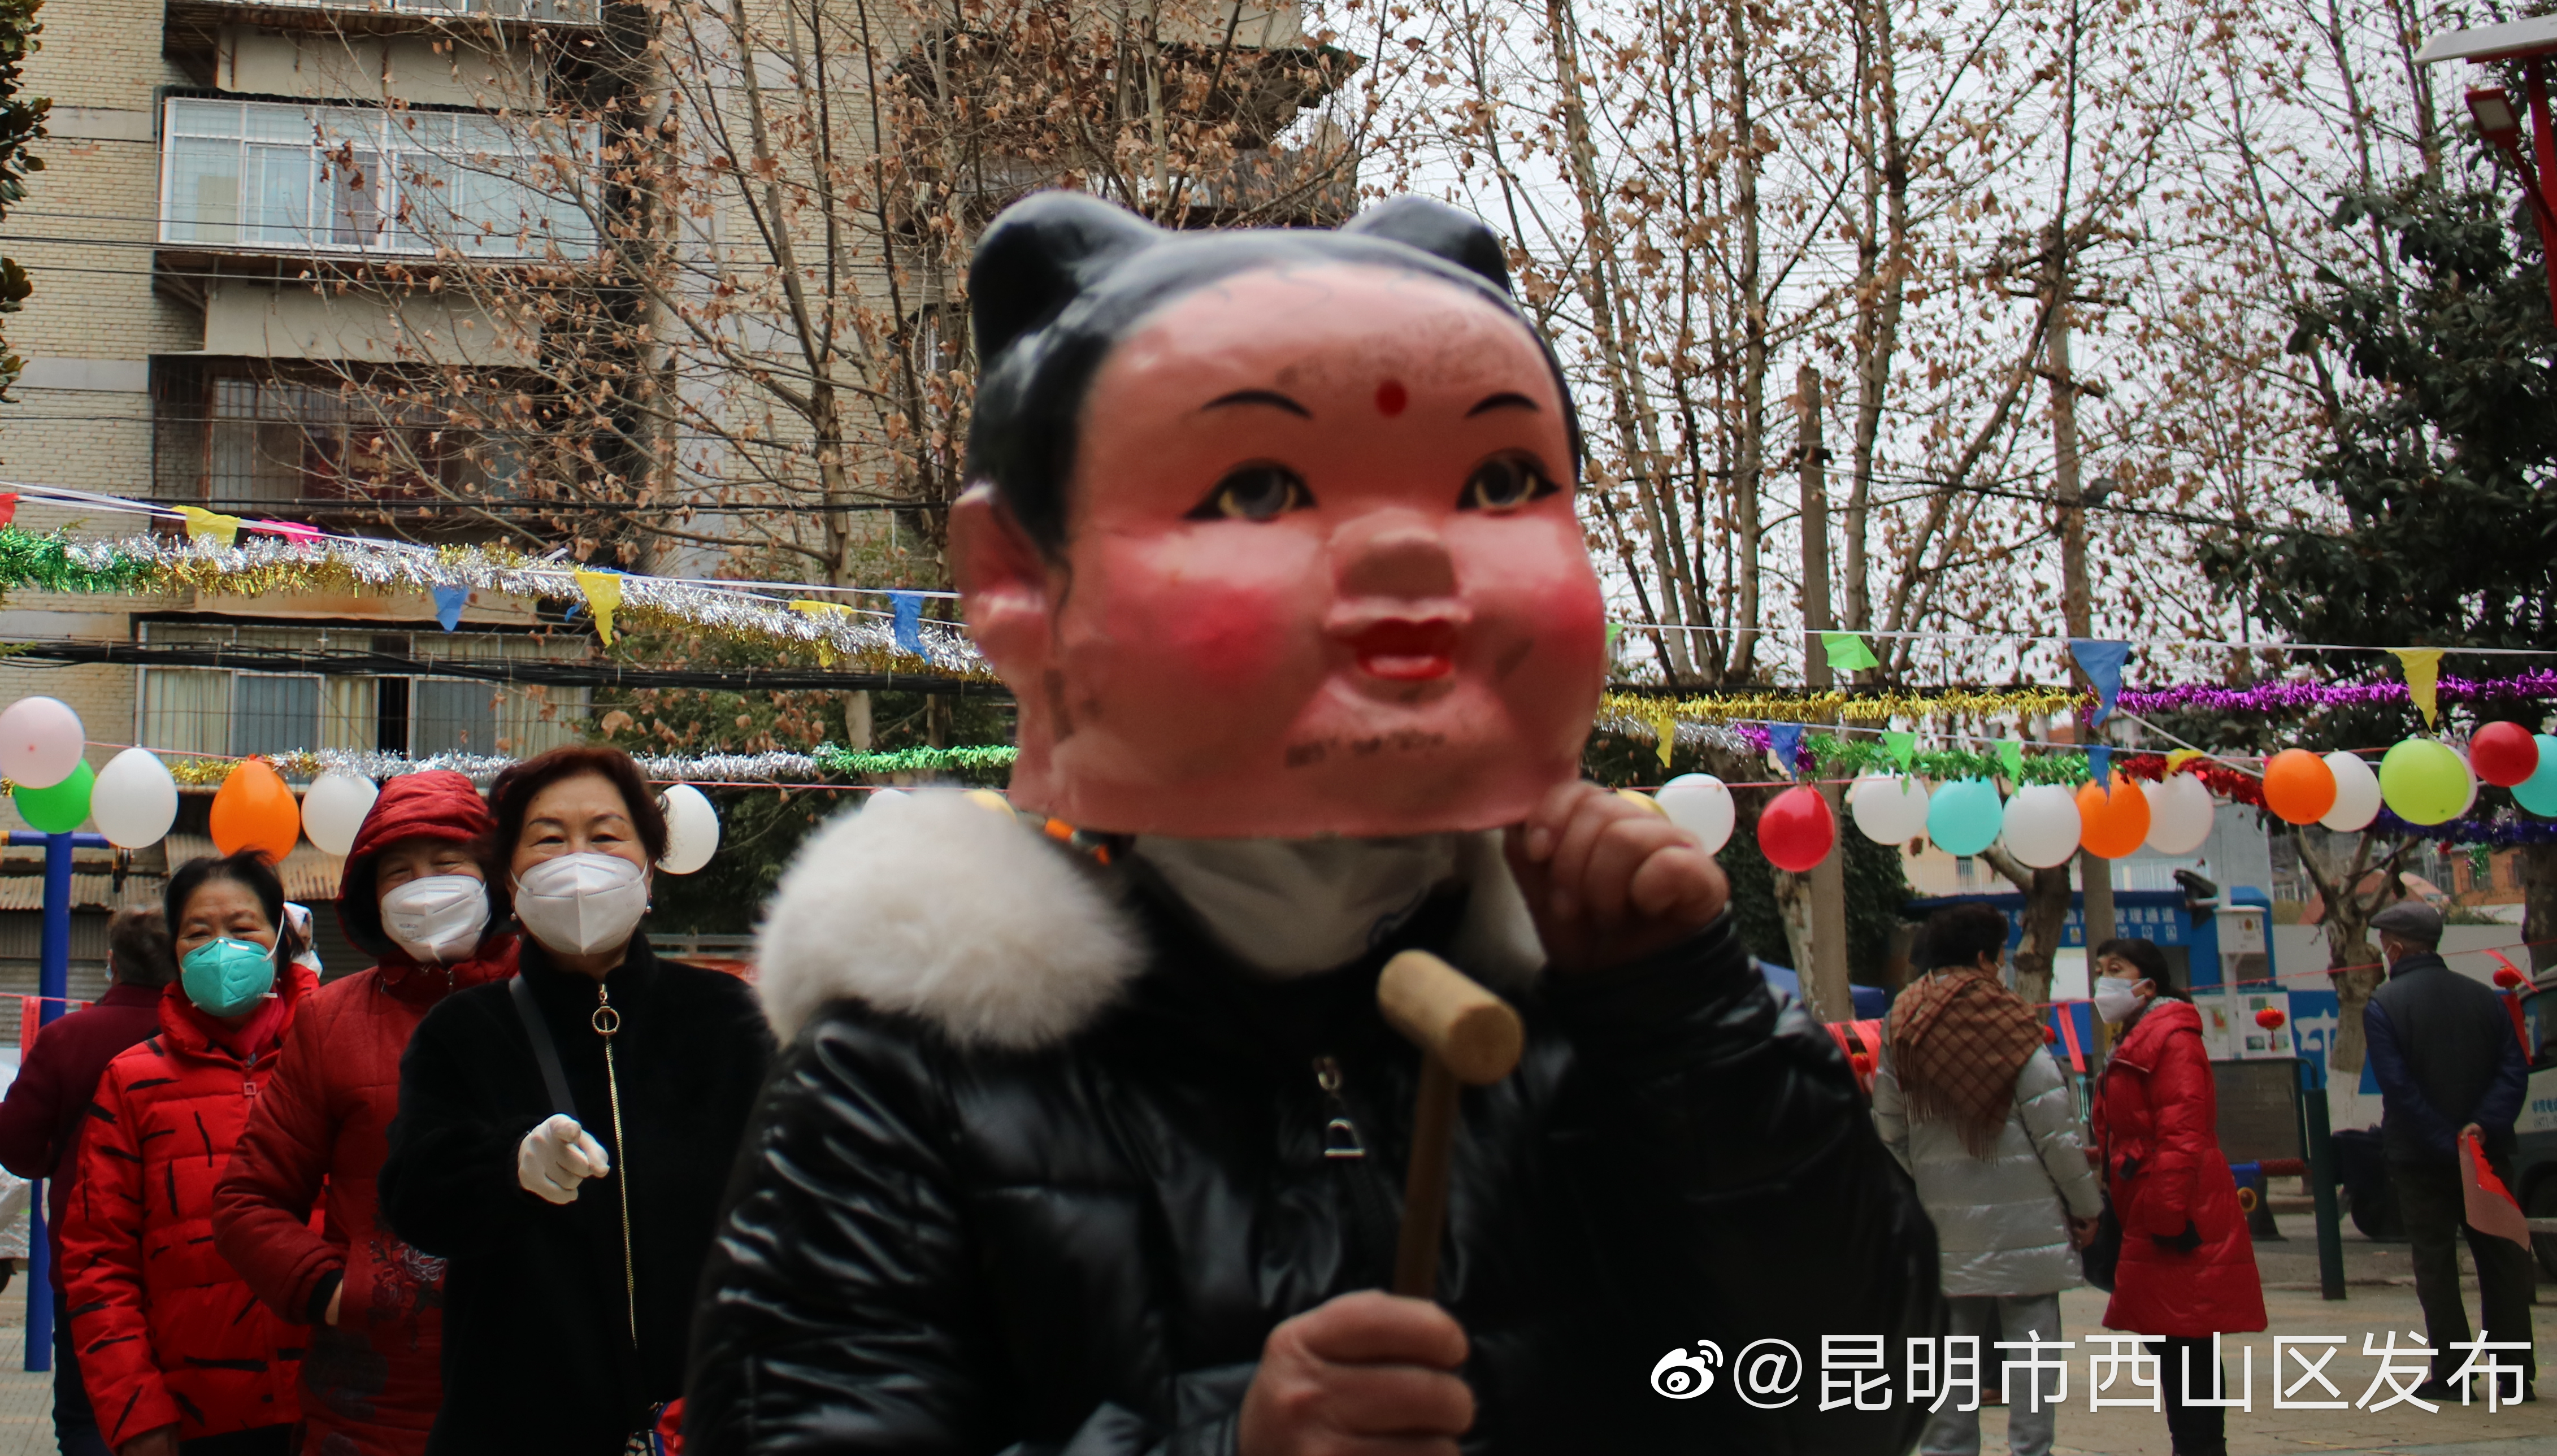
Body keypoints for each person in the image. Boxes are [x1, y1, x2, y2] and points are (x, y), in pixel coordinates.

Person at [684, 192, 1939, 1455]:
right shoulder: (901, 1077)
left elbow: (1863, 1398)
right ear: (1017, 580)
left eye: (1500, 480)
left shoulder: (1627, 1013)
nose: (1408, 550)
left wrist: (1690, 1022)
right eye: (1256, 487)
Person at [379, 747, 772, 1456]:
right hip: (516, 1424)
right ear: (511, 875)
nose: (579, 859)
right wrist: (511, 1167)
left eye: (607, 834)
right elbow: (414, 1197)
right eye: (550, 838)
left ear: (650, 868)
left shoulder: (731, 1019)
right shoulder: (463, 1031)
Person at [216, 768, 520, 1456]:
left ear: (493, 878)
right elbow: (248, 1200)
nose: (425, 886)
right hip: (368, 1411)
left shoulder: (555, 1003)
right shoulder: (330, 1019)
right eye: (398, 872)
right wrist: (334, 1288)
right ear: (371, 897)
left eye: (448, 864)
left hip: (537, 1397)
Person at [57, 853, 315, 1456]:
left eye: (244, 927)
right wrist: (136, 1414)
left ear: (280, 936)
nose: (221, 947)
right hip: (197, 1421)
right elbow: (97, 1258)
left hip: (339, 1406)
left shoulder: (332, 1053)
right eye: (199, 932)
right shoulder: (131, 1080)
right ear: (174, 950)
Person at [1873, 903, 2104, 1456]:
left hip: (1943, 1227)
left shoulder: (1902, 1022)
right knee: (2031, 1357)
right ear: (1982, 957)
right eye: (1999, 955)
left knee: (1949, 1362)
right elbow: (2055, 1131)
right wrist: (2085, 1206)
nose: (2001, 967)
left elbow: (1887, 1126)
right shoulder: (2010, 1021)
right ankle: (2030, 1449)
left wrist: (1930, 1183)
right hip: (2028, 1227)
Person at [0, 905, 175, 1456]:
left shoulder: (67, 1036)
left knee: (89, 1415)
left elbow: (12, 1142)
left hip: (87, 1260)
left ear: (112, 963)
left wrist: (60, 1160)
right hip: (186, 1261)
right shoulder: (200, 1038)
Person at [2089, 937, 2263, 1454]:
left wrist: (2162, 1215)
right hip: (2149, 1205)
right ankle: (2197, 1447)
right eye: (2101, 969)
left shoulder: (2171, 1038)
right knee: (2175, 1342)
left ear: (2148, 982)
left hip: (2177, 1211)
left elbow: (2183, 1132)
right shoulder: (2137, 1037)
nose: (2105, 980)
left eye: (2116, 968)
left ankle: (2200, 1448)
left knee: (2186, 1344)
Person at [2360, 897, 2533, 1397]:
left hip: (2421, 1159)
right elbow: (2512, 1071)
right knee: (2500, 1261)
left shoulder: (2384, 1005)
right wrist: (2480, 1128)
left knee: (2435, 1265)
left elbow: (2398, 1086)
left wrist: (2443, 1140)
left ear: (2393, 947)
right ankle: (2516, 1376)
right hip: (2487, 1156)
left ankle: (2453, 1376)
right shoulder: (2485, 999)